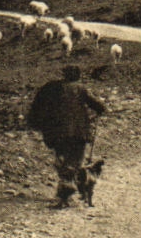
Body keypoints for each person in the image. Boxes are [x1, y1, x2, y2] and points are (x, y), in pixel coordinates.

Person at [26, 64, 108, 208]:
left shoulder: (53, 88)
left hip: (58, 133)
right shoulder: (81, 89)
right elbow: (99, 106)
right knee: (75, 161)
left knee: (62, 160)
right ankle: (70, 190)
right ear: (77, 75)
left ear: (65, 75)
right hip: (79, 133)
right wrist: (100, 110)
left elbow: (40, 106)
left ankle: (66, 190)